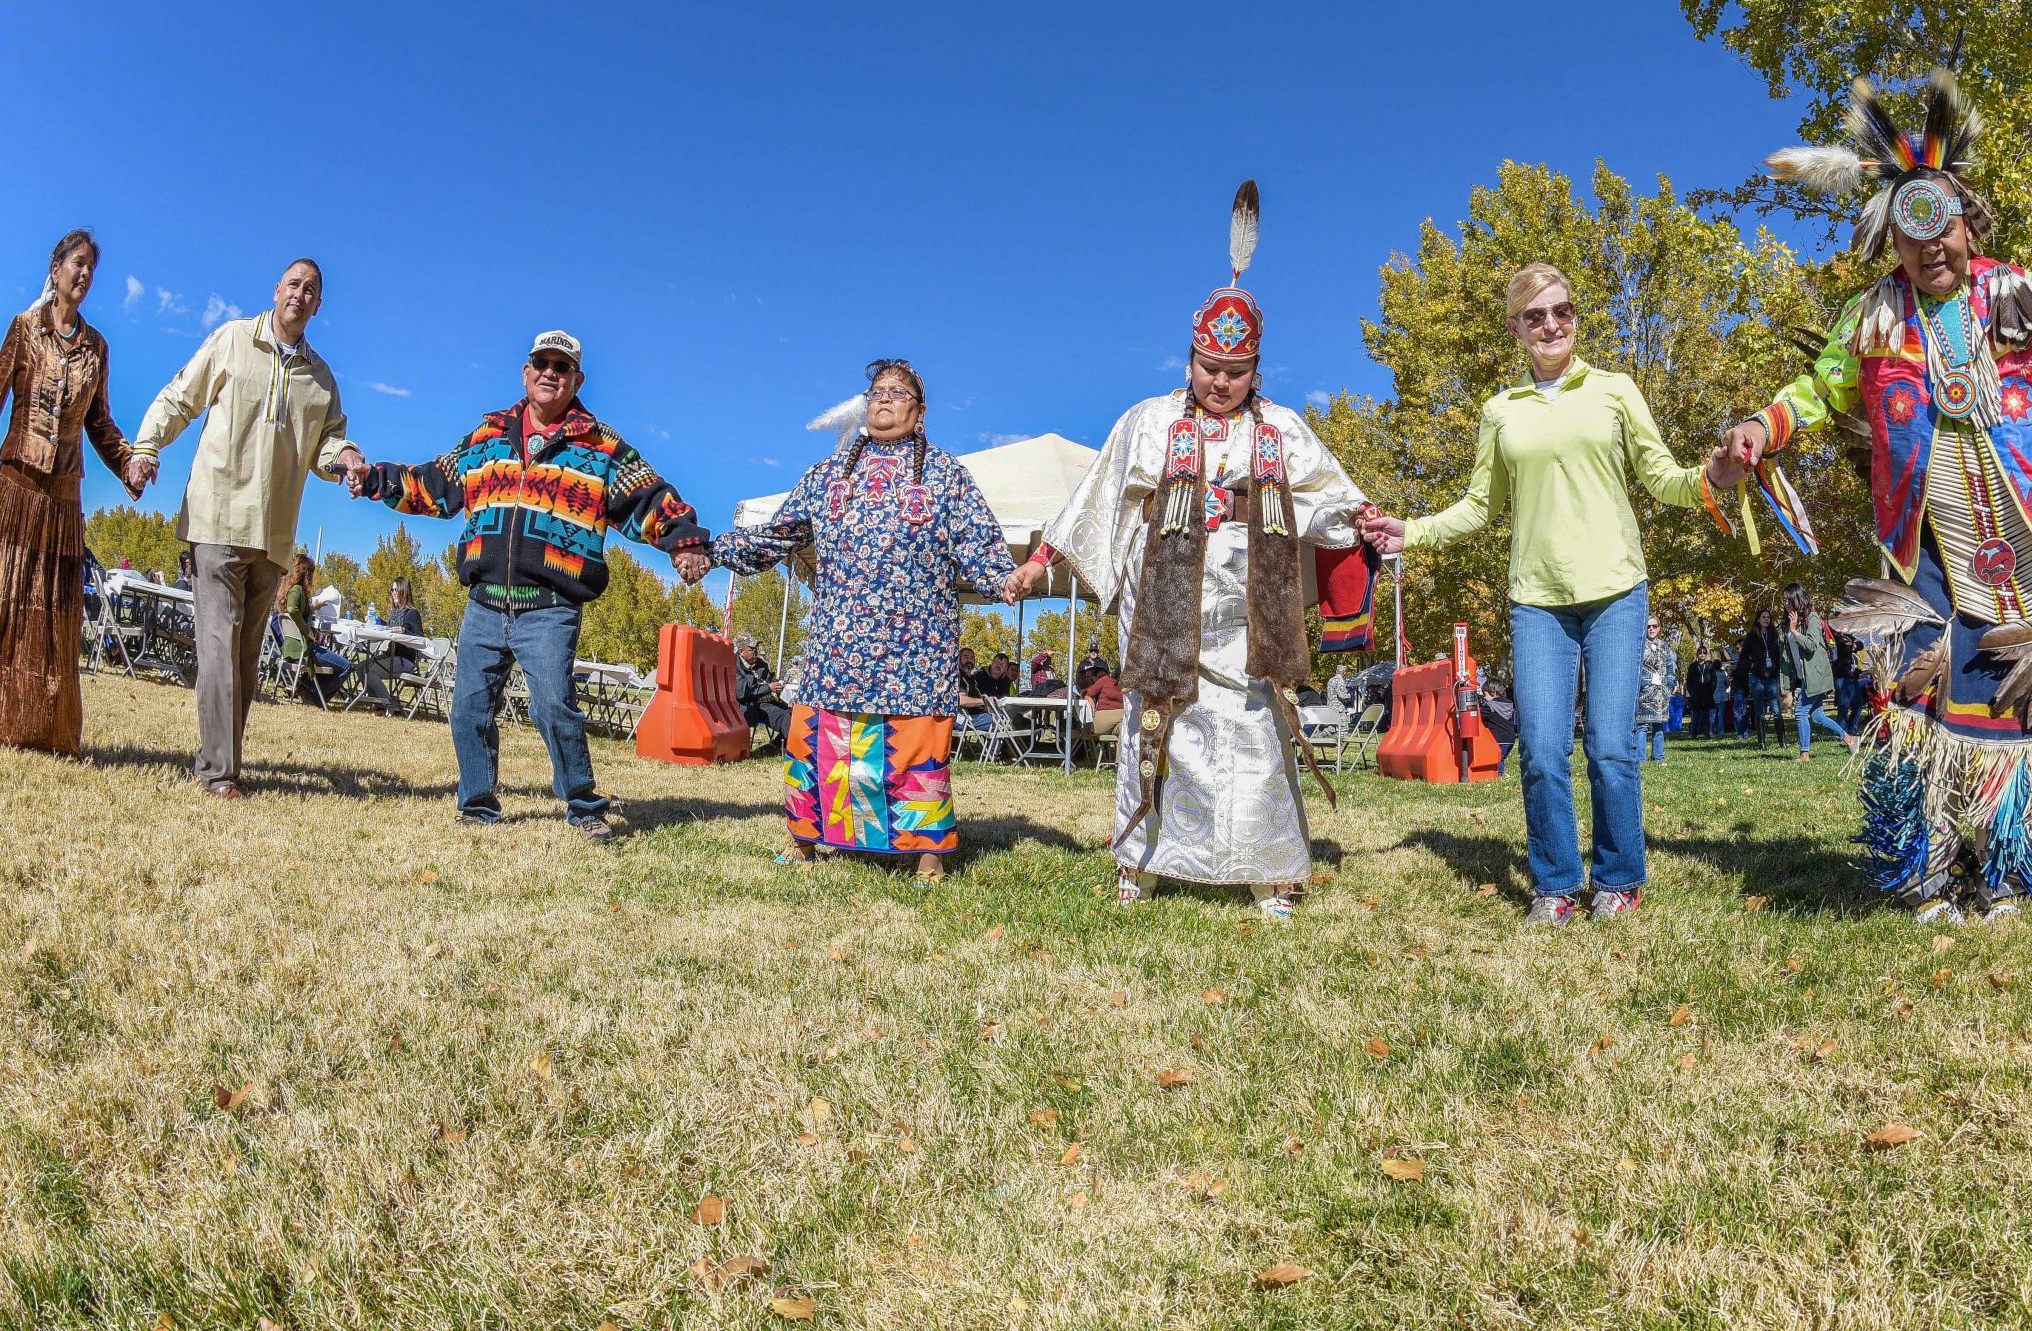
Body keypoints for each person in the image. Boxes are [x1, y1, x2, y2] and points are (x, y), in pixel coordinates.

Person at [1718, 65, 2032, 921]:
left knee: (2024, 704)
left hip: (2028, 538)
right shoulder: (1871, 322)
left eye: (1945, 227)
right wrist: (1762, 425)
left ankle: (2008, 868)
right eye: (1912, 233)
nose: (1931, 247)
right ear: (1891, 242)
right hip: (1927, 545)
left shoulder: (2021, 295)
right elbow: (1817, 389)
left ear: (1969, 222)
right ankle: (1928, 871)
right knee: (1918, 706)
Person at [1009, 183, 1370, 920]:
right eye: (1209, 367)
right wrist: (1041, 559)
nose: (1220, 382)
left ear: (1257, 368)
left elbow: (1336, 502)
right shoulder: (1146, 422)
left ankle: (1268, 872)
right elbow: (1097, 497)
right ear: (1190, 356)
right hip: (1164, 599)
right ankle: (1141, 863)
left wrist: (1369, 520)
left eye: (1235, 372)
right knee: (1158, 720)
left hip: (1250, 601)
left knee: (1254, 725)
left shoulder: (1283, 430)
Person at [1363, 260, 1736, 926]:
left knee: (1610, 744)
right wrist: (1410, 530)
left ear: (1575, 317)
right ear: (1516, 328)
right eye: (1535, 316)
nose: (1551, 324)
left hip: (1617, 589)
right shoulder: (1500, 411)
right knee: (1538, 746)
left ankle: (1619, 880)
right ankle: (1557, 884)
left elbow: (1661, 478)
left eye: (1561, 311)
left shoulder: (1616, 390)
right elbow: (1480, 506)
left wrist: (1714, 475)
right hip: (1537, 598)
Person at [348, 329, 710, 837]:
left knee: (554, 705)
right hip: (484, 601)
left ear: (576, 380)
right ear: (525, 372)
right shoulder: (487, 438)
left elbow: (649, 498)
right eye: (541, 362)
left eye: (561, 368)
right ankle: (476, 803)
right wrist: (373, 479)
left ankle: (584, 807)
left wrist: (684, 539)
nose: (549, 373)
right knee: (468, 706)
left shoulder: (600, 447)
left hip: (551, 604)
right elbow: (433, 484)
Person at [711, 359, 1008, 879]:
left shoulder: (945, 477)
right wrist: (709, 550)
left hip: (916, 647)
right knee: (815, 741)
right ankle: (804, 842)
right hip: (836, 647)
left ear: (920, 413)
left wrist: (1009, 578)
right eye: (876, 392)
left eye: (898, 392)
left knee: (917, 747)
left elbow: (980, 548)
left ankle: (927, 856)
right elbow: (773, 538)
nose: (884, 400)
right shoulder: (827, 477)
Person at [128, 258, 363, 802]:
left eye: (312, 291)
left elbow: (326, 446)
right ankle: (218, 772)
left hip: (274, 535)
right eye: (294, 285)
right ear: (276, 289)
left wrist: (346, 455)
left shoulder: (321, 379)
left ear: (318, 306)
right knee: (216, 645)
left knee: (246, 657)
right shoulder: (233, 340)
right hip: (216, 517)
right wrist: (145, 448)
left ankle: (221, 760)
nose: (300, 296)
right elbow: (179, 396)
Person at [0, 229, 147, 755]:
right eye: (78, 264)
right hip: (16, 485)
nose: (85, 275)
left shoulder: (97, 349)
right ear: (56, 268)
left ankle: (41, 730)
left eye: (92, 268)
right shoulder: (24, 329)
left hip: (62, 498)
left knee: (49, 614)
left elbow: (101, 424)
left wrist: (129, 465)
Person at [1780, 586, 1854, 761]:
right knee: (1818, 716)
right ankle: (1850, 739)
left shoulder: (1811, 618)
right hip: (1804, 675)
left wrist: (1795, 631)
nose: (1784, 603)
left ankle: (1804, 754)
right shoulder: (1792, 621)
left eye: (1787, 599)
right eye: (1782, 599)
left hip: (1816, 675)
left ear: (1796, 599)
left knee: (1799, 713)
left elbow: (1812, 645)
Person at [277, 551, 353, 701]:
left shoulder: (288, 590)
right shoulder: (297, 590)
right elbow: (293, 609)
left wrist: (312, 610)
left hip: (290, 649)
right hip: (303, 649)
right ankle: (315, 695)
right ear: (306, 574)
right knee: (346, 666)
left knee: (330, 659)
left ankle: (306, 686)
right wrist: (307, 632)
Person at [733, 634, 790, 750]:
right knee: (784, 717)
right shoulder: (734, 665)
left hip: (768, 701)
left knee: (794, 713)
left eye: (757, 649)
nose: (756, 653)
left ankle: (774, 746)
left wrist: (778, 685)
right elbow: (742, 694)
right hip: (747, 706)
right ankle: (795, 749)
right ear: (741, 651)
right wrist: (768, 688)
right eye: (752, 650)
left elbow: (770, 680)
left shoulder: (761, 665)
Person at [1738, 609, 1784, 752]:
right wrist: (1752, 665)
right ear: (1758, 619)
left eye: (1768, 617)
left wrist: (1776, 666)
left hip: (1771, 676)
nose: (1766, 619)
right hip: (1757, 677)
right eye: (1763, 617)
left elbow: (1779, 654)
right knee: (1759, 709)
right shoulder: (1751, 637)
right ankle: (1762, 742)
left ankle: (1782, 741)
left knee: (1776, 708)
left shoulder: (1774, 635)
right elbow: (1742, 659)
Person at [1637, 611, 1677, 763]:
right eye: (1648, 626)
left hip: (1661, 693)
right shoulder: (1639, 645)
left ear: (1659, 628)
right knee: (1642, 725)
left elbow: (1669, 667)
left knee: (1659, 726)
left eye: (1655, 626)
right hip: (1645, 692)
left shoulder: (1664, 646)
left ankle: (1658, 756)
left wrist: (1670, 684)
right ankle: (1640, 758)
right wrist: (1645, 682)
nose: (1651, 629)